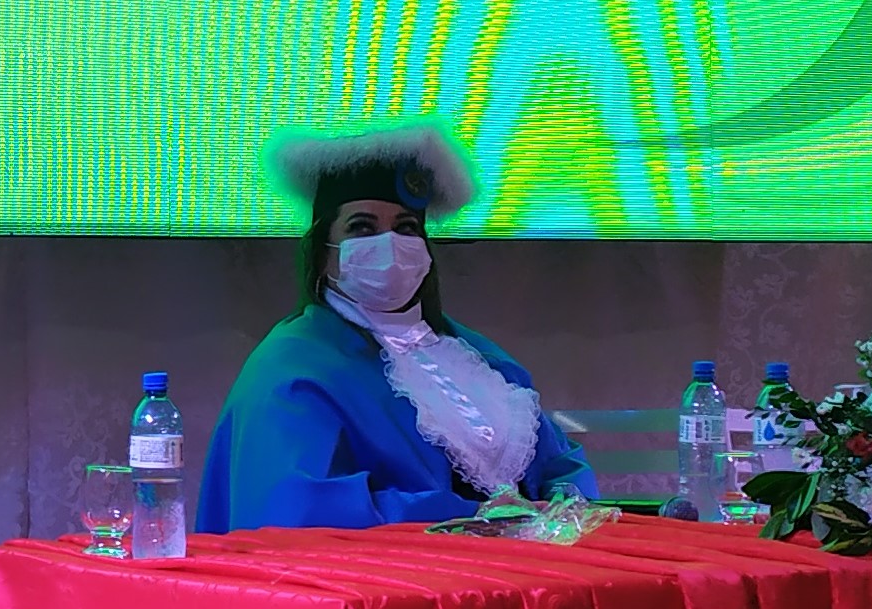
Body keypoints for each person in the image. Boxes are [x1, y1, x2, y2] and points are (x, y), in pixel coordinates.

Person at [198, 129, 590, 530]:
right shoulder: (291, 367)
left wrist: (564, 507)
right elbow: (298, 505)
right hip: (399, 565)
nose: (390, 244)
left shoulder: (477, 357)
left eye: (406, 227)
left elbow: (560, 461)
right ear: (324, 250)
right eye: (362, 228)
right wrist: (467, 516)